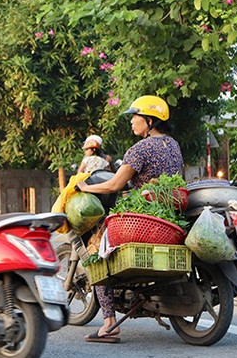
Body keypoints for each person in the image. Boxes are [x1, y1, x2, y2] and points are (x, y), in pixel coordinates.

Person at [76, 95, 184, 344]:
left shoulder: (140, 149)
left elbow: (114, 184)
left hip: (142, 219)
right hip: (169, 218)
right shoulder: (173, 145)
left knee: (97, 251)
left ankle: (109, 324)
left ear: (150, 120)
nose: (132, 121)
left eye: (135, 116)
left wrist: (85, 187)